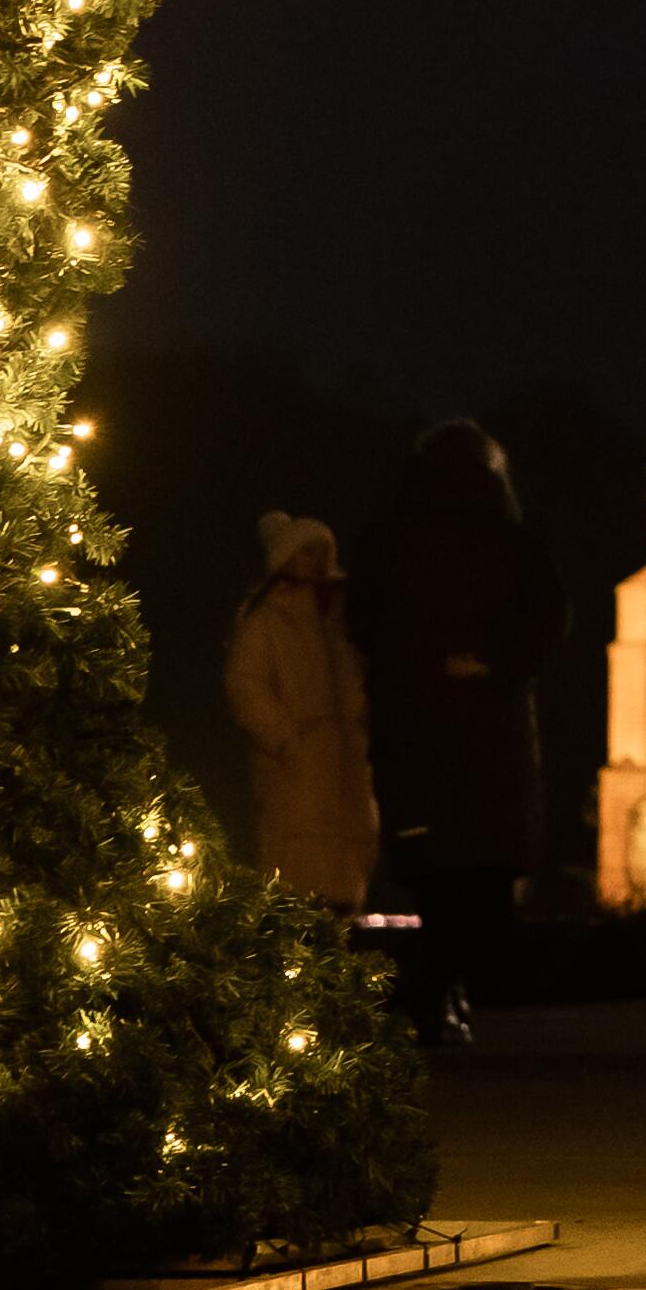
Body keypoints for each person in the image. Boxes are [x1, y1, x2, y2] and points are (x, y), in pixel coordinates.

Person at [358, 419, 547, 1045]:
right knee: (482, 886)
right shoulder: (509, 542)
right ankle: (457, 996)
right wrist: (495, 661)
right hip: (489, 753)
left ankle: (434, 997)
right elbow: (550, 619)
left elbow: (366, 627)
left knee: (435, 881)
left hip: (419, 746)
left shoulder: (393, 543)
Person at [223, 514, 376, 908]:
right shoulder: (267, 617)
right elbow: (246, 684)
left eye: (323, 550)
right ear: (285, 558)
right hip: (298, 770)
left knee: (346, 873)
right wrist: (287, 740)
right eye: (307, 551)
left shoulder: (347, 617)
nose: (318, 560)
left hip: (349, 764)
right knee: (299, 881)